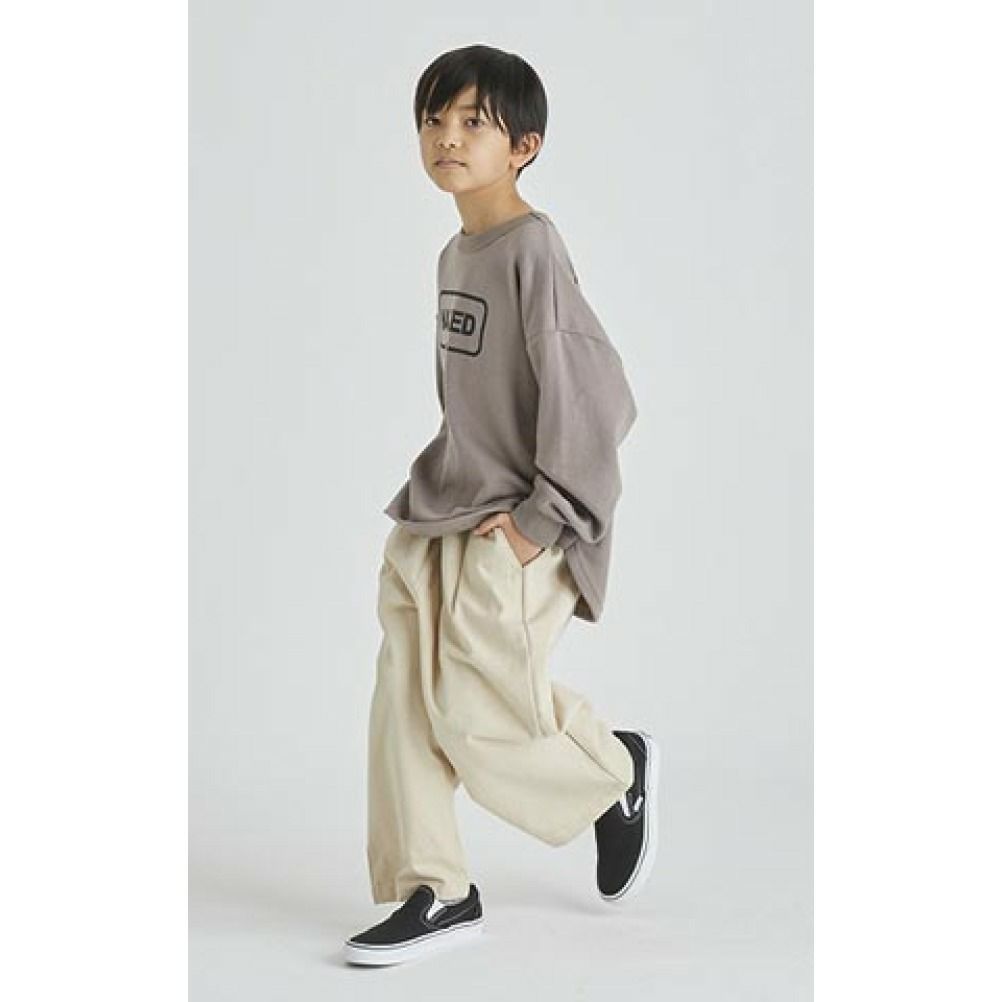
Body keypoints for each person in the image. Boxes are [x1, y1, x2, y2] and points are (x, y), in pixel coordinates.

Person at [343, 43, 660, 967]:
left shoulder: (532, 248)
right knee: (404, 699)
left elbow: (600, 396)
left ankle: (613, 771)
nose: (447, 136)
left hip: (517, 523)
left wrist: (540, 520)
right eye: (434, 119)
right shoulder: (457, 251)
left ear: (524, 146)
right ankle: (435, 888)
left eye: (473, 122)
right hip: (441, 508)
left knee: (474, 706)